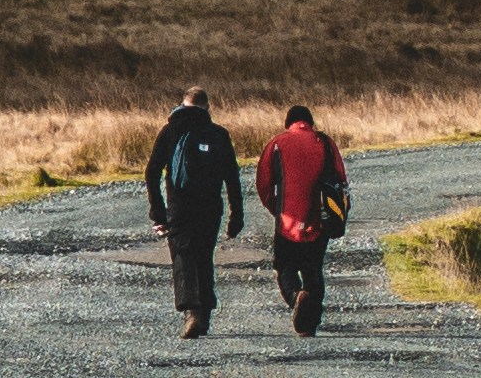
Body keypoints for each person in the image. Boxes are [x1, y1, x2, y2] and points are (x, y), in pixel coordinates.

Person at [145, 83, 242, 336]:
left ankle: (192, 313)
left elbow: (152, 171)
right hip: (211, 207)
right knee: (204, 256)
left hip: (180, 206)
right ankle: (205, 314)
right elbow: (232, 176)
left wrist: (158, 212)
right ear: (207, 106)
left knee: (183, 256)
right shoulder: (218, 134)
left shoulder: (170, 130)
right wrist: (236, 215)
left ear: (183, 104)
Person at [256, 96, 351, 333]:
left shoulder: (277, 144)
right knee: (313, 270)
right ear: (310, 122)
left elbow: (263, 184)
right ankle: (308, 324)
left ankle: (295, 297)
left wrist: (275, 208)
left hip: (287, 221)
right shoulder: (325, 142)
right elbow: (341, 180)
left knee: (284, 267)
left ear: (288, 123)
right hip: (319, 221)